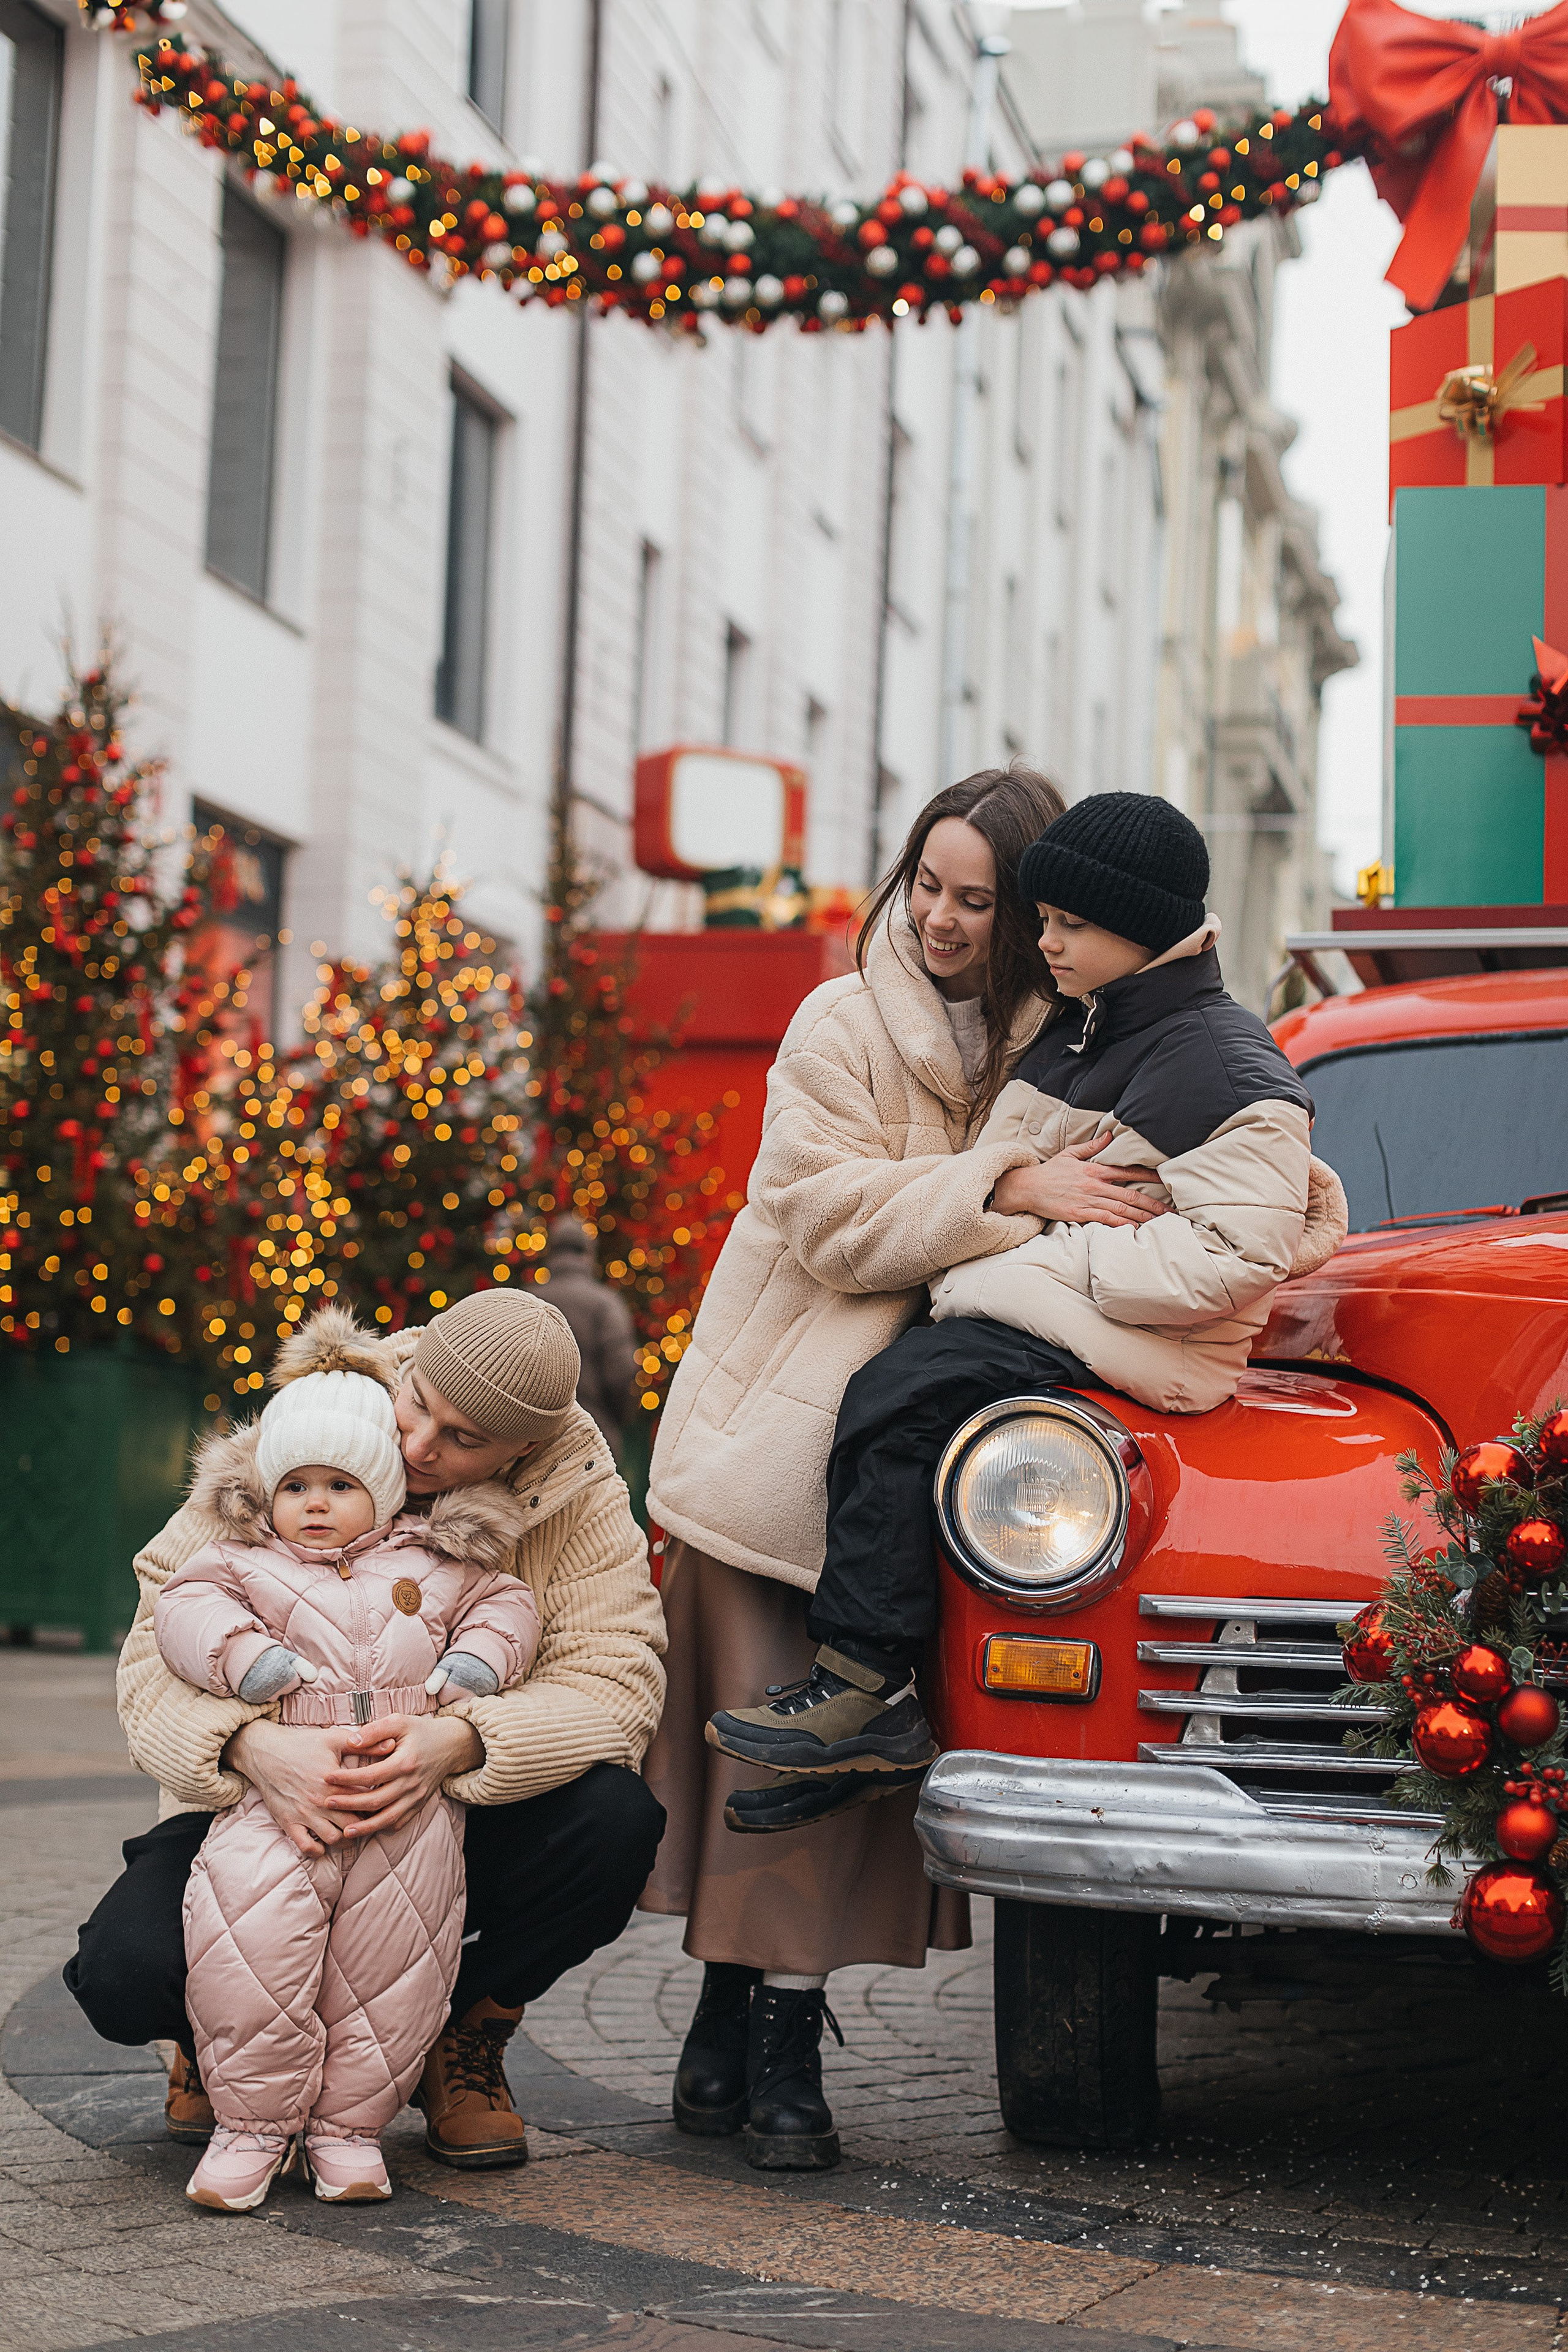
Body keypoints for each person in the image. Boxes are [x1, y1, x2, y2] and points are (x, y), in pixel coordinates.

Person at [642, 764, 1168, 2174]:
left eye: (974, 897)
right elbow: (824, 1223)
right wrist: (1004, 1191)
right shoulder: (837, 1020)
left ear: (1030, 913)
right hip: (777, 1454)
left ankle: (729, 2023)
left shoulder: (1067, 1041)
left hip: (930, 1464)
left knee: (836, 1775)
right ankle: (765, 2046)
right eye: (924, 883)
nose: (938, 917)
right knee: (778, 1767)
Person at [709, 792, 1349, 1789]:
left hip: (1136, 1335)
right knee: (901, 1398)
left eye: (1066, 923)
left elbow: (1230, 1253)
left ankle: (867, 1682)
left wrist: (1053, 1259)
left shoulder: (1220, 1059)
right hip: (1077, 1313)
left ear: (1136, 930)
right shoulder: (1093, 1025)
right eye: (1039, 917)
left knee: (900, 1397)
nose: (1041, 939)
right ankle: (875, 1683)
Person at [66, 1291, 668, 2173]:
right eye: (419, 1405)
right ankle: (222, 2033)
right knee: (120, 1976)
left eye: (464, 1440)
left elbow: (620, 1675)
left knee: (616, 1823)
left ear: (523, 1451)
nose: (421, 1447)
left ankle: (457, 2036)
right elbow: (158, 1642)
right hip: (259, 1811)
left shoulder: (575, 1489)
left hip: (444, 1810)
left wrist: (461, 1743)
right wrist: (248, 1748)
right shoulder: (324, 1413)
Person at [156, 1340, 541, 2211]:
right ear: (266, 1493)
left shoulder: (436, 1563)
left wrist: (476, 1667)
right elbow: (181, 1610)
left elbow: (508, 1604)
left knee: (392, 1975)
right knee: (249, 1948)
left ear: (385, 1491)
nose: (315, 1505)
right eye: (295, 1487)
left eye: (339, 1485)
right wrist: (244, 1658)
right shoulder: (240, 1561)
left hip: (407, 1806)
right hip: (281, 1794)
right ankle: (248, 2128)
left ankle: (348, 2131)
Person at [542, 1215, 636, 1462]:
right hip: (593, 1436)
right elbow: (622, 1372)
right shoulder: (606, 1303)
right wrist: (617, 1419)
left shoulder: (530, 1300)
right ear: (587, 1254)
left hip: (536, 1440)